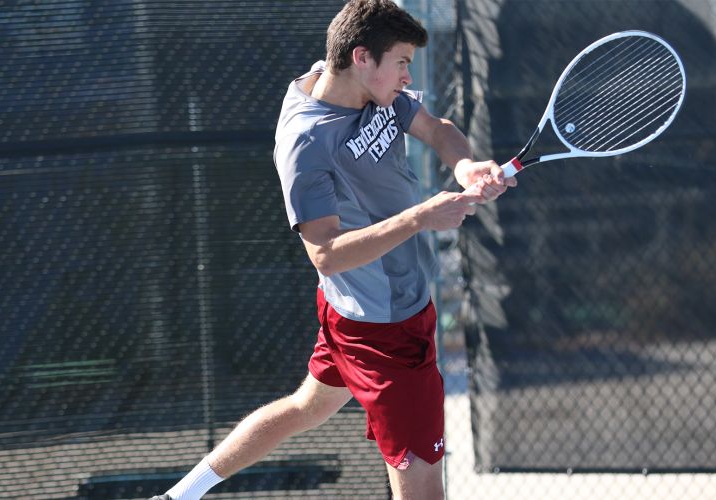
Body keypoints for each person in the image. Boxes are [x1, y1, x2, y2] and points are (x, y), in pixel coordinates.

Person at [150, 1, 514, 499]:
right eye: (402, 61)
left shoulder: (351, 80)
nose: (408, 75)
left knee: (308, 407)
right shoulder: (306, 143)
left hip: (352, 313)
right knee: (424, 480)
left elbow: (436, 129)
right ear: (362, 57)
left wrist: (467, 167)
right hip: (385, 329)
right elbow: (325, 254)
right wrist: (421, 217)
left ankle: (178, 496)